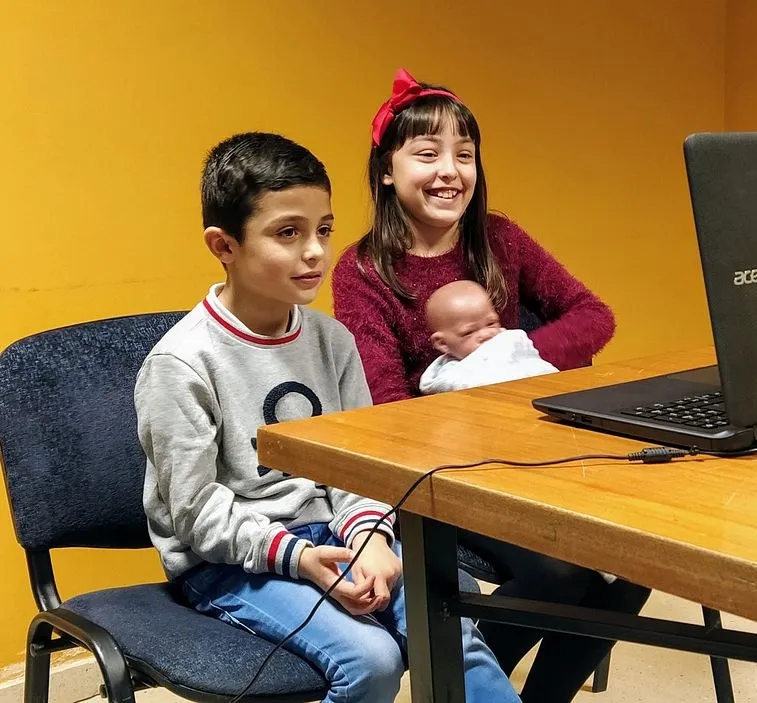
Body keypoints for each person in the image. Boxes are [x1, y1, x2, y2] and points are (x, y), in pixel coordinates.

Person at [134, 132, 520, 703]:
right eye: (288, 233)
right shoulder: (181, 363)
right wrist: (300, 558)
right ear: (224, 245)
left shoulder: (332, 341)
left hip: (338, 535)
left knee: (452, 634)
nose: (315, 251)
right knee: (370, 660)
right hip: (231, 557)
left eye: (323, 230)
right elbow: (194, 512)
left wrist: (369, 537)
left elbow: (358, 466)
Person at [332, 69, 651, 703]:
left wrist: (515, 355)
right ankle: (456, 687)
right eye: (427, 154)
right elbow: (388, 410)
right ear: (387, 171)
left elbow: (595, 316)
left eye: (464, 155)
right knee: (564, 571)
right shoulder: (363, 270)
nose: (449, 170)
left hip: (535, 456)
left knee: (638, 563)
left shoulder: (499, 238)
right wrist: (472, 399)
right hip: (444, 474)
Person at [419, 279, 557, 394]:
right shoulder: (447, 374)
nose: (486, 334)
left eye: (491, 323)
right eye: (469, 332)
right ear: (442, 343)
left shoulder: (510, 340)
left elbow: (532, 362)